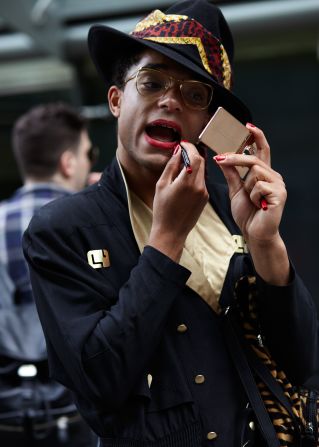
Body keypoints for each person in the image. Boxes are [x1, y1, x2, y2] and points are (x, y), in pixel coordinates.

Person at [23, 2, 318, 447]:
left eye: (194, 95)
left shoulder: (232, 207)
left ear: (206, 124)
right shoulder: (61, 229)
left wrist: (266, 242)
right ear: (116, 100)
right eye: (152, 82)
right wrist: (166, 240)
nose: (171, 100)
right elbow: (99, 383)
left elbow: (300, 361)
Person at [0, 102, 97, 446]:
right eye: (88, 153)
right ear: (68, 162)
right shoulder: (93, 223)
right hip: (83, 409)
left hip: (10, 416)